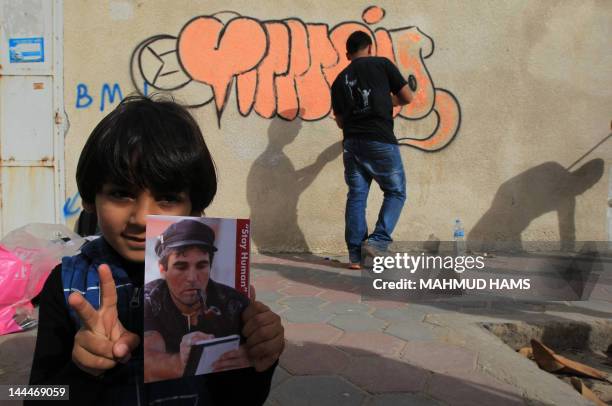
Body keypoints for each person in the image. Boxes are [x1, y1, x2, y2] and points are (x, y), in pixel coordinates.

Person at [28, 96, 284, 405]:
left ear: (195, 207)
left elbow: (240, 399)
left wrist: (261, 360)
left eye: (167, 198)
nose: (140, 219)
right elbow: (32, 395)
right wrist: (82, 370)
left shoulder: (225, 301)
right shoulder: (67, 286)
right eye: (121, 194)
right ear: (89, 199)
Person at [330, 31, 413, 269]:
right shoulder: (382, 64)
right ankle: (377, 241)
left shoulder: (339, 80)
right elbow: (407, 96)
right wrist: (389, 101)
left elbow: (340, 121)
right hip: (380, 140)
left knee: (357, 196)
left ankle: (355, 257)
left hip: (352, 143)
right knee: (396, 192)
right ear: (370, 47)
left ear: (348, 54)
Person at [144, 218, 251, 381]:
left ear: (210, 267)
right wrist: (180, 363)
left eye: (201, 266)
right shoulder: (150, 300)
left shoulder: (233, 302)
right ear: (162, 270)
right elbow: (148, 359)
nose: (193, 278)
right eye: (181, 266)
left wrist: (252, 352)